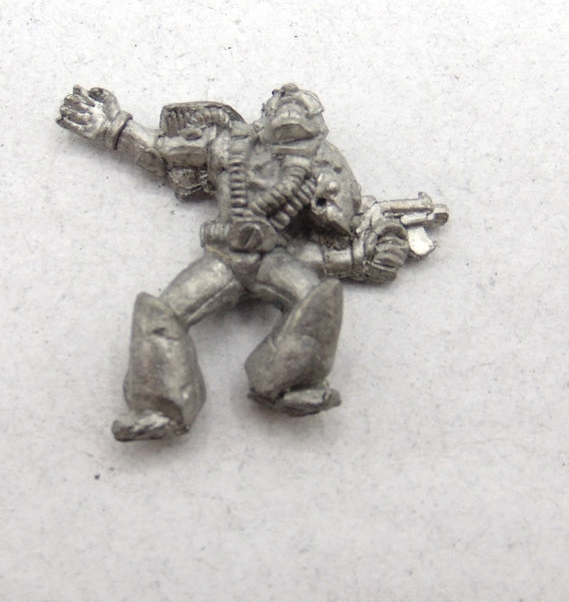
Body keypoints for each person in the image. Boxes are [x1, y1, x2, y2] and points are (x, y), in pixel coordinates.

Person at [58, 83, 418, 441]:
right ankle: (161, 405)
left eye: (299, 106)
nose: (289, 110)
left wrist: (359, 233)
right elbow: (162, 152)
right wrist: (113, 127)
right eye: (282, 103)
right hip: (224, 258)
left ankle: (288, 382)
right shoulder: (227, 145)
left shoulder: (326, 162)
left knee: (317, 302)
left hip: (277, 259)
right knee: (161, 312)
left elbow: (349, 220)